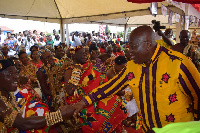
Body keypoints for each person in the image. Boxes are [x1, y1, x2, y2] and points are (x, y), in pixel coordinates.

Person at [72, 26, 200, 133]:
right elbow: (111, 86)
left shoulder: (178, 63)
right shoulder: (132, 66)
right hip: (148, 129)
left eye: (133, 46)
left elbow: (198, 95)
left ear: (148, 44)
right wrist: (83, 102)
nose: (129, 51)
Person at [0, 59, 75, 132]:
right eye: (9, 74)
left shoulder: (10, 95)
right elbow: (22, 123)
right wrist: (60, 115)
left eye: (16, 73)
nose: (16, 77)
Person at [64, 46, 128, 133]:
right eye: (82, 53)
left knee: (116, 100)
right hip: (79, 99)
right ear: (74, 56)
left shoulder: (90, 66)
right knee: (95, 117)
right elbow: (70, 91)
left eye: (86, 52)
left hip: (94, 94)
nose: (85, 54)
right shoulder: (69, 70)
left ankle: (115, 128)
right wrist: (76, 72)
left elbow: (102, 80)